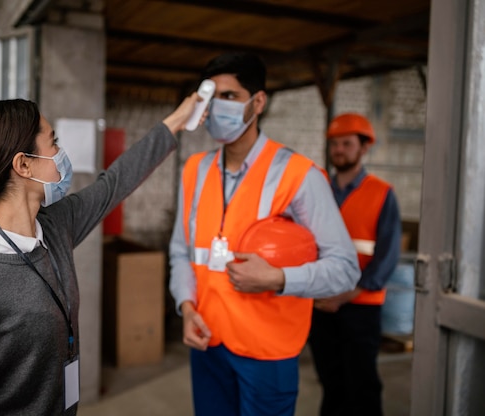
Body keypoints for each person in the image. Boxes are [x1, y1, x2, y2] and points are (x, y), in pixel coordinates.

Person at [0, 96, 198, 415]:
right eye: (53, 143)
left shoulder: (55, 227)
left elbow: (116, 182)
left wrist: (177, 120)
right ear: (23, 164)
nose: (61, 154)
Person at [168, 52, 361, 416]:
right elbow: (182, 251)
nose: (217, 107)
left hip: (268, 355)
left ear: (258, 102)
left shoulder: (299, 175)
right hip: (207, 343)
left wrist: (279, 278)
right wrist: (187, 306)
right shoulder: (195, 170)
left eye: (229, 96)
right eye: (211, 97)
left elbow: (346, 269)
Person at [308, 113, 402, 416]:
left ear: (364, 148)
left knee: (361, 386)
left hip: (361, 306)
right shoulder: (317, 189)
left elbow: (386, 256)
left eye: (347, 143)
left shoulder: (382, 193)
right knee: (330, 384)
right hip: (322, 307)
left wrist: (346, 293)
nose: (339, 150)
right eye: (335, 144)